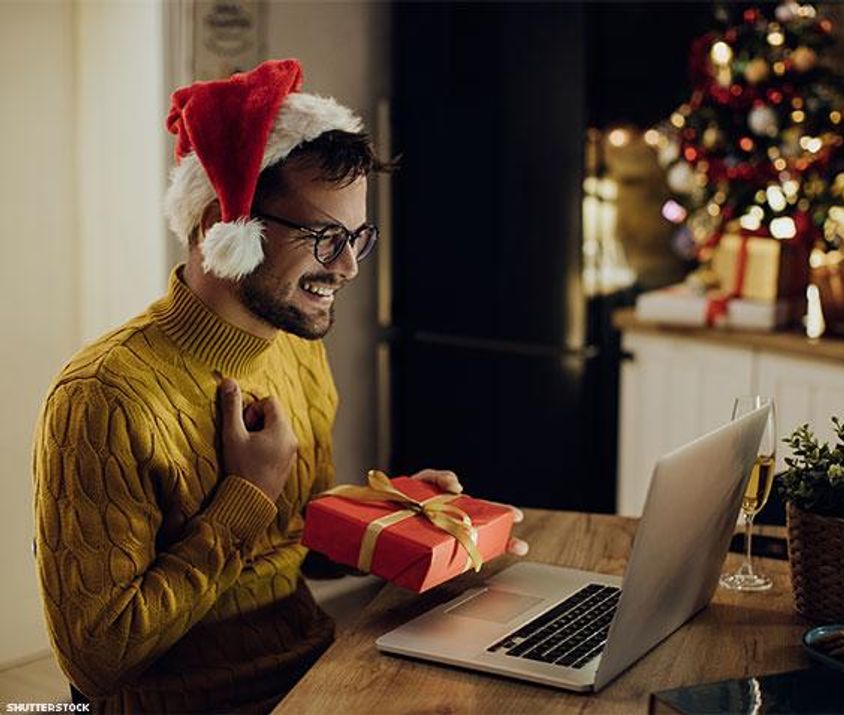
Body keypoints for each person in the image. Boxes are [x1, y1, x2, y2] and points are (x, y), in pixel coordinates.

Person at [32, 58, 527, 713]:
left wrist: (393, 519)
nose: (348, 266)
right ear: (219, 227)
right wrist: (245, 496)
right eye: (325, 237)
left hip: (318, 675)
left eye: (356, 237)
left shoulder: (295, 347)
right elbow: (95, 659)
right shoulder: (101, 398)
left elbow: (298, 550)